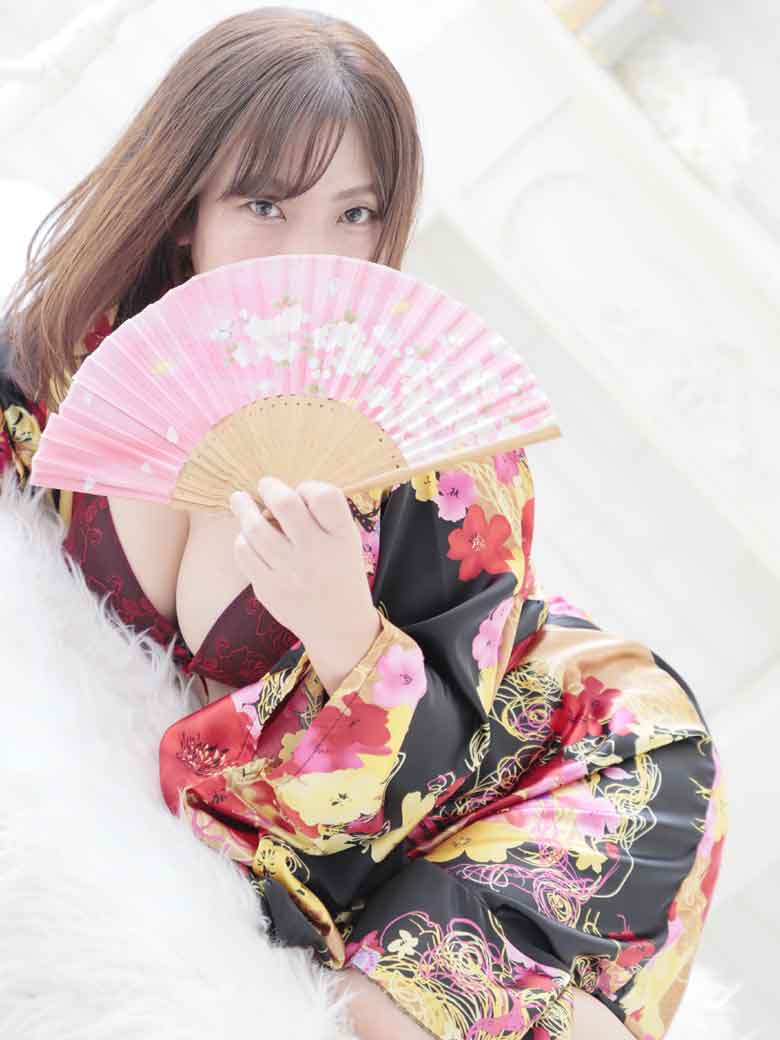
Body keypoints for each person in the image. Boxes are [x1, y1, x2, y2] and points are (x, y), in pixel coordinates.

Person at [0, 7, 728, 1039]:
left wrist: (344, 628)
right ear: (185, 206)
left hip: (567, 746)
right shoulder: (82, 358)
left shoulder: (442, 457)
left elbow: (445, 746)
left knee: (392, 1012)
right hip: (385, 813)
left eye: (354, 214)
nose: (313, 254)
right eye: (265, 204)